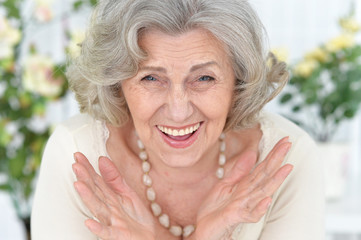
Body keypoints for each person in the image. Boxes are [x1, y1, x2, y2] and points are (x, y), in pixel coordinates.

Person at [31, 0, 324, 239]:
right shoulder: (75, 152)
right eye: (151, 78)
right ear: (116, 83)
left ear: (239, 82)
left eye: (204, 78)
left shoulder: (289, 157)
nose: (178, 110)